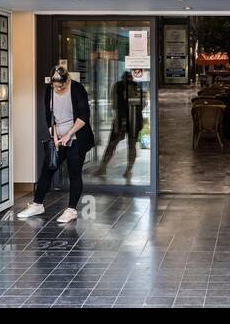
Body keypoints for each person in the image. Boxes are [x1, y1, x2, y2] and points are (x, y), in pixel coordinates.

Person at [18, 65, 94, 223]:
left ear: (67, 80)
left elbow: (84, 116)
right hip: (58, 139)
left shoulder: (77, 89)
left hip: (77, 138)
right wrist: (54, 136)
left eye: (60, 86)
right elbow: (49, 114)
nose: (57, 89)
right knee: (47, 169)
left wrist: (68, 134)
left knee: (74, 172)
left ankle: (71, 210)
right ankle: (37, 204)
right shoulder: (50, 90)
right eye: (55, 85)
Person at [94, 70, 143, 180]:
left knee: (113, 144)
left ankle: (103, 168)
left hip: (123, 119)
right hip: (134, 119)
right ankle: (127, 170)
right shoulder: (136, 87)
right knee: (130, 145)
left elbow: (115, 104)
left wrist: (117, 122)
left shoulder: (118, 86)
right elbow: (142, 104)